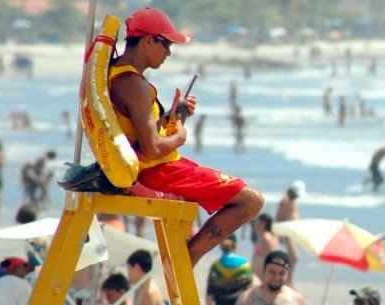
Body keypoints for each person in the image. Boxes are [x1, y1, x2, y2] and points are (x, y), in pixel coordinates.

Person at [108, 7, 263, 265]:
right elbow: (152, 148)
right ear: (148, 40)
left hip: (141, 166)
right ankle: (187, 259)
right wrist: (180, 135)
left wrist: (174, 115)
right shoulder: (136, 86)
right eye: (166, 44)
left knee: (239, 196)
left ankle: (186, 255)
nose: (169, 52)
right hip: (155, 171)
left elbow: (137, 132)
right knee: (251, 201)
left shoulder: (118, 75)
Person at [235, 251, 308, 305]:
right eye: (272, 272)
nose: (276, 277)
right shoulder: (248, 298)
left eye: (282, 273)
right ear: (264, 271)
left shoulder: (296, 300)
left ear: (288, 274)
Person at [207, 235, 253, 305]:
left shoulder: (216, 266)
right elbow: (249, 290)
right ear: (235, 245)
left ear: (221, 246)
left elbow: (210, 293)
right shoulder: (245, 265)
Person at [276, 180, 305, 286]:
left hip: (292, 231)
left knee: (292, 258)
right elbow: (279, 217)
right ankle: (288, 281)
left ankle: (288, 280)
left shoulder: (291, 200)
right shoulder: (285, 200)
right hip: (288, 232)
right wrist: (280, 232)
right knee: (293, 257)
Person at [252, 214, 279, 281]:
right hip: (263, 273)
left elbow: (271, 255)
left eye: (256, 221)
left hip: (262, 274)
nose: (254, 223)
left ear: (263, 223)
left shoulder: (265, 237)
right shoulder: (272, 235)